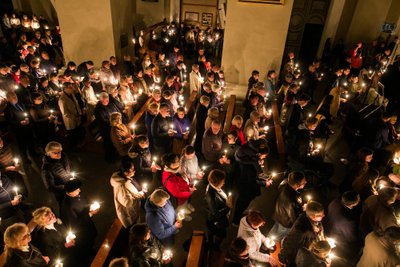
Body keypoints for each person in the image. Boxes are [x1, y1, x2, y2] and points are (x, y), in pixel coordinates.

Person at [232, 138, 271, 225]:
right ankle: (235, 221)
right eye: (264, 156)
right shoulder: (250, 167)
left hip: (242, 185)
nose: (265, 157)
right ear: (259, 153)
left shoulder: (248, 158)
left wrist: (258, 161)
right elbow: (253, 181)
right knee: (242, 204)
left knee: (241, 204)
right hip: (246, 189)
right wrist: (265, 183)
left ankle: (237, 215)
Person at [60, 179, 98, 266]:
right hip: (82, 233)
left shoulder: (77, 195)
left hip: (88, 226)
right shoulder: (67, 206)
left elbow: (84, 203)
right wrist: (90, 214)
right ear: (70, 192)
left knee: (91, 242)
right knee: (86, 247)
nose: (79, 190)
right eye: (77, 189)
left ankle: (92, 250)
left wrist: (91, 207)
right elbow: (75, 223)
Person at [279, 201, 325, 267]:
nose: (324, 215)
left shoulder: (313, 219)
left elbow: (318, 228)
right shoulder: (300, 230)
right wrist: (282, 258)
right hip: (301, 254)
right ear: (313, 216)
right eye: (321, 215)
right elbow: (289, 243)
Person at [326, 191, 361, 264]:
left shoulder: (334, 202)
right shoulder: (348, 221)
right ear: (354, 203)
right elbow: (351, 238)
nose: (360, 199)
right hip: (341, 240)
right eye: (358, 198)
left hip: (331, 229)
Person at [270, 171, 307, 242]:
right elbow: (294, 218)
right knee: (278, 238)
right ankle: (270, 248)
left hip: (279, 215)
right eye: (303, 182)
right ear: (297, 185)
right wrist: (303, 210)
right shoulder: (291, 200)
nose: (306, 182)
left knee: (274, 231)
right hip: (286, 222)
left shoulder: (284, 184)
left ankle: (265, 245)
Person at [110, 159, 146, 228]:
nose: (134, 170)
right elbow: (127, 203)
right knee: (136, 228)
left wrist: (140, 189)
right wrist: (138, 195)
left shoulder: (125, 177)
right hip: (130, 215)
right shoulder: (121, 187)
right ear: (126, 173)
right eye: (132, 169)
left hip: (135, 209)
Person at [4, 91, 37, 164]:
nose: (15, 98)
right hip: (19, 130)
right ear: (8, 99)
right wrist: (20, 122)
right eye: (12, 97)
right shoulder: (8, 109)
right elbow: (10, 121)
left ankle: (33, 153)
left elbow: (26, 112)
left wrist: (28, 118)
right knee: (23, 145)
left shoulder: (20, 103)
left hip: (27, 127)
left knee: (30, 141)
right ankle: (25, 159)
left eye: (15, 96)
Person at [205, 169, 232, 250]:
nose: (223, 183)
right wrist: (228, 207)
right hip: (216, 220)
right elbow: (216, 214)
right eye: (222, 182)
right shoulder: (211, 197)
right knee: (220, 234)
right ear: (216, 183)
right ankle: (215, 246)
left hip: (215, 218)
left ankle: (211, 240)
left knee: (212, 231)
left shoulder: (212, 186)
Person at [41, 141, 73, 205]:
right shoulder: (46, 168)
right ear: (48, 153)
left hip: (72, 186)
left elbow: (68, 167)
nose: (58, 154)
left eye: (59, 152)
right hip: (62, 194)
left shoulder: (64, 156)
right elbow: (50, 187)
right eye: (55, 153)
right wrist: (65, 187)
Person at [58, 82, 85, 150]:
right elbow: (65, 113)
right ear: (65, 88)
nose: (72, 88)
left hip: (77, 117)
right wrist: (74, 117)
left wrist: (80, 114)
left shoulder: (72, 94)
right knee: (72, 135)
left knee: (77, 133)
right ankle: (72, 149)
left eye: (72, 87)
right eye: (70, 87)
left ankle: (78, 146)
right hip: (70, 120)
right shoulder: (62, 99)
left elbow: (77, 104)